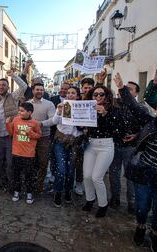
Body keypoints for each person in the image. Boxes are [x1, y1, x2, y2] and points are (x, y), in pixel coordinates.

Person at [114, 72, 157, 252]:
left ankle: (156, 234)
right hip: (145, 172)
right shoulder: (150, 122)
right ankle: (141, 226)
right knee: (142, 207)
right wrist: (121, 88)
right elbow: (135, 106)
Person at [82, 85, 124, 218]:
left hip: (106, 145)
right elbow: (79, 124)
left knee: (97, 177)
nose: (98, 97)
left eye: (101, 94)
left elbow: (117, 128)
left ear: (106, 96)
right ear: (91, 96)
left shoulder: (114, 109)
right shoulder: (88, 107)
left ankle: (103, 204)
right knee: (87, 176)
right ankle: (90, 199)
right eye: (95, 95)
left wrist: (105, 113)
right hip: (91, 144)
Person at [0, 70, 28, 191]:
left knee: (10, 163)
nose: (1, 87)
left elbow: (24, 86)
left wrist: (13, 76)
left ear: (8, 87)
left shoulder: (14, 97)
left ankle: (12, 185)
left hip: (10, 136)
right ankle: (4, 182)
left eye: (3, 85)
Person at [108, 81, 143, 213]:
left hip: (131, 148)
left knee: (131, 176)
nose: (126, 91)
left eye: (129, 89)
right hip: (114, 145)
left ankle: (131, 202)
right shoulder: (114, 104)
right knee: (114, 173)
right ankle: (115, 198)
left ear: (136, 93)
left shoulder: (141, 109)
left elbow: (146, 128)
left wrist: (136, 135)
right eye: (124, 89)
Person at [51, 86, 83, 207]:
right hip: (60, 141)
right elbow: (54, 122)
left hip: (74, 143)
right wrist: (59, 111)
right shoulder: (62, 105)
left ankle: (68, 191)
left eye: (73, 93)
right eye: (68, 93)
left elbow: (83, 127)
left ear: (77, 96)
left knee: (70, 170)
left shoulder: (82, 108)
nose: (70, 95)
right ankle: (58, 192)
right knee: (61, 169)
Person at [6, 102, 41, 204]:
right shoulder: (16, 120)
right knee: (16, 174)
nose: (19, 112)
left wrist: (30, 133)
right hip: (16, 153)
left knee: (29, 175)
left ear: (29, 112)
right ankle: (17, 191)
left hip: (29, 155)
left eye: (22, 111)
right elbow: (11, 133)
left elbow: (39, 136)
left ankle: (29, 193)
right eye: (19, 110)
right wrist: (8, 123)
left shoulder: (35, 123)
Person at [28, 83, 56, 192]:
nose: (39, 91)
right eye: (37, 89)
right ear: (33, 91)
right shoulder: (27, 103)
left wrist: (40, 124)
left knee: (43, 162)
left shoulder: (49, 104)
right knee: (31, 161)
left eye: (41, 90)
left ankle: (39, 185)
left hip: (44, 137)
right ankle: (31, 183)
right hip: (30, 137)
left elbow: (53, 120)